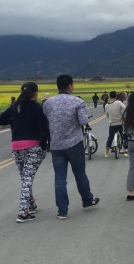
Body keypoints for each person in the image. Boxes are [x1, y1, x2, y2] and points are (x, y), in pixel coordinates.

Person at [43, 74, 99, 219]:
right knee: (79, 173)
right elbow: (83, 121)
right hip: (74, 144)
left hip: (56, 145)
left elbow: (46, 119)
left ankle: (62, 210)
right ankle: (87, 200)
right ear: (70, 86)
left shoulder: (48, 103)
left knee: (60, 178)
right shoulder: (77, 101)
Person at [0, 82, 49, 223]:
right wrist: (44, 146)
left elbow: (2, 119)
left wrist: (14, 120)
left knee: (25, 177)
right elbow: (44, 129)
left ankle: (31, 204)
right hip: (33, 145)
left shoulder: (15, 107)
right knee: (27, 178)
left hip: (16, 146)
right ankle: (23, 212)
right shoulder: (36, 108)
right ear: (35, 93)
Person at [104, 90, 127, 157]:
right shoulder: (119, 103)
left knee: (110, 137)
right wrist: (122, 115)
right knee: (123, 136)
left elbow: (107, 115)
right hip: (119, 123)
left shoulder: (107, 105)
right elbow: (125, 109)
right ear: (116, 96)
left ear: (110, 96)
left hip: (112, 124)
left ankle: (107, 152)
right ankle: (125, 151)